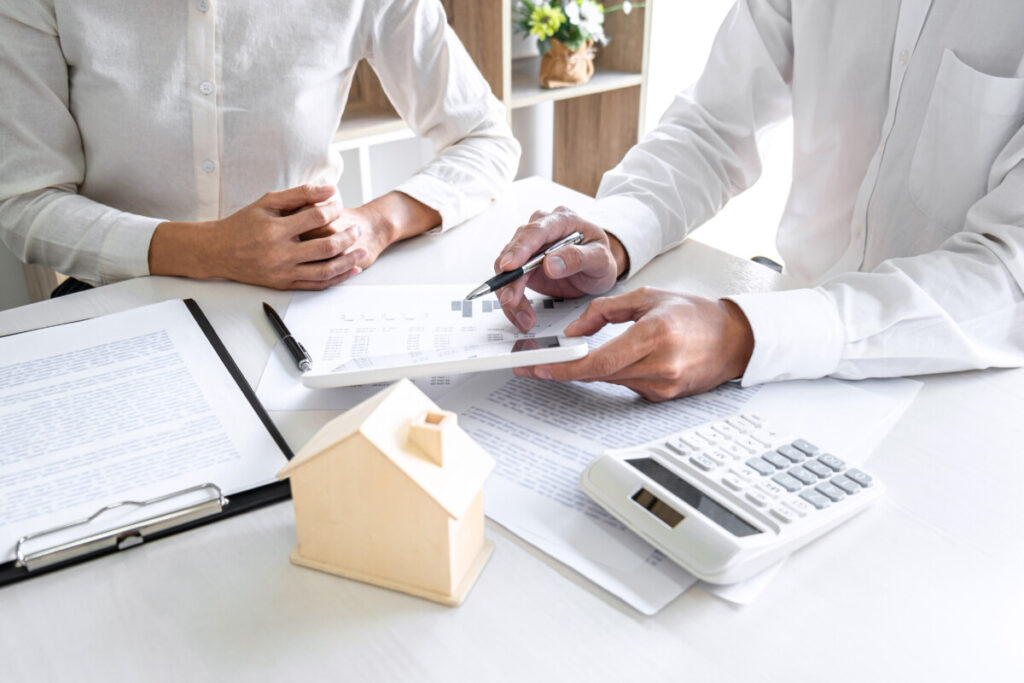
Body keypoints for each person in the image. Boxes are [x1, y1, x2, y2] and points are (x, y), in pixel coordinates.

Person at [493, 0, 1024, 401]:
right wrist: (614, 231)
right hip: (782, 357)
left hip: (960, 387)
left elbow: (1008, 273)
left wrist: (743, 334)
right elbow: (715, 124)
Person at [0, 0, 520, 291]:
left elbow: (484, 137)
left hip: (307, 295)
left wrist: (375, 225)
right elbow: (27, 202)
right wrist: (211, 250)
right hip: (118, 295)